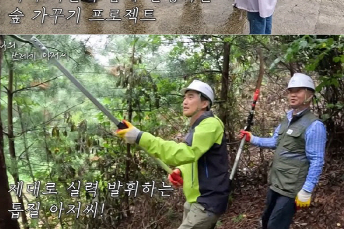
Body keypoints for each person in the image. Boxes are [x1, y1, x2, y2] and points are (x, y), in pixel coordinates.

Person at [116, 81, 229, 229]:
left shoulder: (210, 125)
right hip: (195, 200)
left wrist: (140, 137)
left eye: (190, 97)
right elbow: (195, 157)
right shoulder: (199, 125)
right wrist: (181, 170)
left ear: (204, 103)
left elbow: (185, 153)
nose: (185, 102)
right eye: (184, 98)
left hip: (207, 202)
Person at [239, 74, 326, 228]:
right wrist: (252, 139)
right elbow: (275, 142)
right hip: (276, 183)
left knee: (276, 225)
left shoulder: (315, 126)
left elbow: (317, 160)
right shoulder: (286, 119)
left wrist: (306, 190)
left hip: (291, 188)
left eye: (298, 91)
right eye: (290, 91)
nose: (293, 94)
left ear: (310, 95)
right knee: (265, 221)